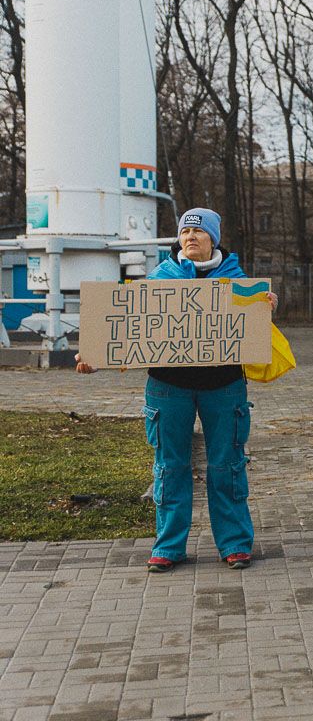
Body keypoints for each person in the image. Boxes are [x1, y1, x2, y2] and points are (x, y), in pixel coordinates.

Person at [76, 208, 277, 572]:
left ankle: (234, 544)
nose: (191, 237)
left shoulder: (239, 281)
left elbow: (254, 332)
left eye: (199, 232)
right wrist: (94, 354)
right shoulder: (158, 279)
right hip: (168, 388)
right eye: (185, 232)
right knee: (169, 467)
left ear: (213, 238)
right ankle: (168, 546)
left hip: (224, 386)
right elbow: (126, 328)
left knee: (227, 465)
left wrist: (267, 310)